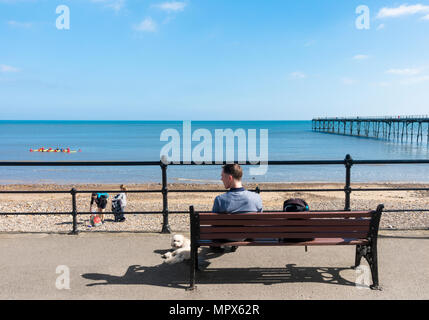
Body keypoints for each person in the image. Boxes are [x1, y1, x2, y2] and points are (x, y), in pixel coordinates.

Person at [211, 164, 263, 252]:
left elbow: (213, 224)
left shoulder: (220, 199)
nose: (221, 179)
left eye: (222, 176)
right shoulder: (256, 197)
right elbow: (259, 221)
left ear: (230, 178)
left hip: (225, 237)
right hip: (246, 235)